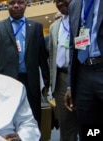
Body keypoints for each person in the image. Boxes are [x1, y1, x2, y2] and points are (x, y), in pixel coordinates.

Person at [0, 0, 50, 126]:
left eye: (20, 2)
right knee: (8, 116)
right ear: (7, 6)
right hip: (7, 81)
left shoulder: (36, 27)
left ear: (25, 5)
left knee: (32, 116)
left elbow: (42, 58)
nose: (16, 5)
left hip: (31, 81)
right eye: (12, 3)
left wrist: (47, 81)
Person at [64, 0, 103, 140]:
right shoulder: (74, 5)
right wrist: (70, 84)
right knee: (88, 129)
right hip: (83, 73)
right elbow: (72, 47)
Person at [49, 0, 78, 141]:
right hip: (61, 79)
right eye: (57, 1)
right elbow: (52, 56)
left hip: (81, 77)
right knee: (66, 126)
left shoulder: (83, 19)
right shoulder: (54, 26)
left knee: (91, 123)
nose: (61, 3)